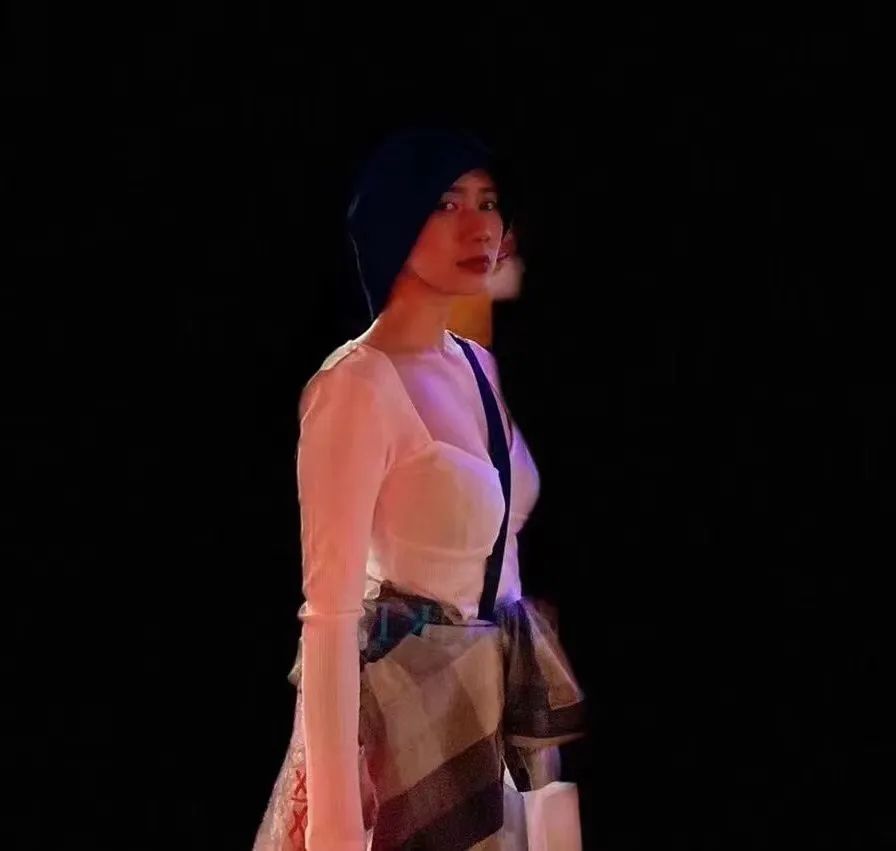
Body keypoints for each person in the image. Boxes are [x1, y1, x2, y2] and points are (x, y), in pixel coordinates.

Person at [253, 129, 586, 851]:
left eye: (488, 202)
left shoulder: (477, 368)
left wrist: (539, 774)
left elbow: (506, 564)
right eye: (447, 202)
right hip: (402, 736)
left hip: (485, 731)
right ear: (396, 217)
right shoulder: (355, 387)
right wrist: (336, 829)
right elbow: (330, 617)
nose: (481, 226)